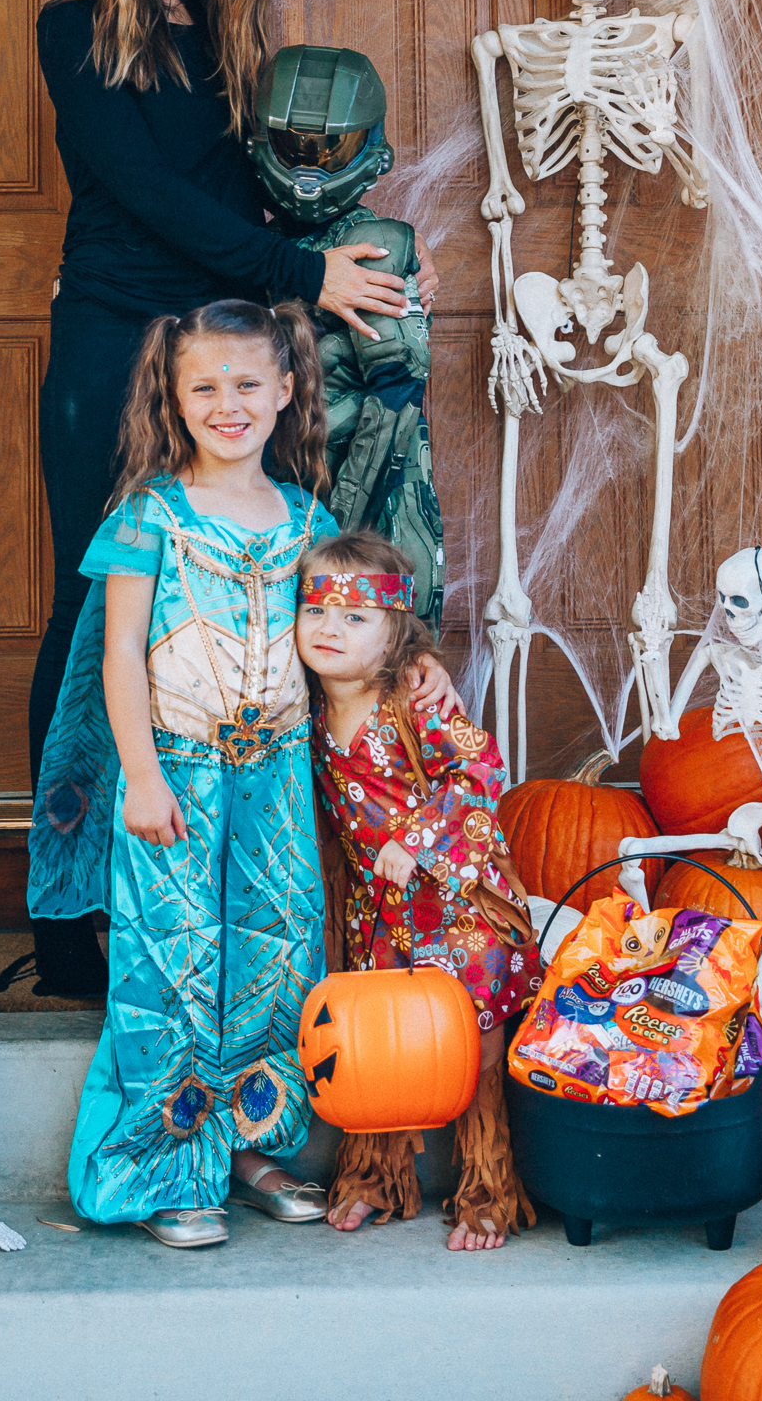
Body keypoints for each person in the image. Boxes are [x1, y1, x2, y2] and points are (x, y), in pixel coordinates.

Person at [29, 0, 437, 996]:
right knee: (91, 611)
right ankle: (67, 925)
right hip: (113, 338)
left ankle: (237, 897)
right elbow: (147, 195)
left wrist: (337, 261)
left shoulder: (229, 41)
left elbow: (245, 197)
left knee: (238, 612)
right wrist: (300, 269)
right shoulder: (73, 25)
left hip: (227, 342)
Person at [27, 303, 457, 1247]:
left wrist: (414, 660)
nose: (228, 405)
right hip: (175, 770)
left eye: (248, 385)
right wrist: (139, 775)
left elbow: (360, 632)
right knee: (172, 961)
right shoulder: (150, 517)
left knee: (274, 954)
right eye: (205, 387)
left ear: (287, 391)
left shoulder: (309, 521)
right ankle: (166, 1164)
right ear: (173, 400)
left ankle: (249, 1147)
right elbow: (117, 657)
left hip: (275, 781)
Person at [295, 528, 543, 1251]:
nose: (329, 629)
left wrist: (419, 838)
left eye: (354, 617)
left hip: (459, 903)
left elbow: (481, 772)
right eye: (315, 612)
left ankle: (486, 1192)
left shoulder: (413, 696)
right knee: (379, 1043)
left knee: (472, 1042)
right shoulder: (302, 706)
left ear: (396, 631)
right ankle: (376, 1177)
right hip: (380, 912)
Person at [249, 44, 444, 628]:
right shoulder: (250, 247)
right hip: (289, 512)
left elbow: (395, 402)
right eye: (294, 145)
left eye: (334, 148)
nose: (312, 166)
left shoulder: (375, 240)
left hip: (369, 518)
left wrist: (334, 534)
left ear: (371, 149)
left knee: (379, 689)